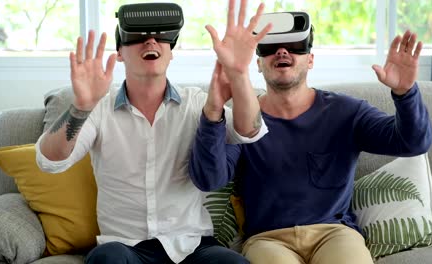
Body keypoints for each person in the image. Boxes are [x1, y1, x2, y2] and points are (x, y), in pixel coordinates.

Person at [35, 1, 272, 263]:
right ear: (120, 53)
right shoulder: (100, 110)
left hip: (191, 246)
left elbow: (250, 130)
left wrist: (239, 73)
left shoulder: (195, 103)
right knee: (106, 259)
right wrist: (81, 107)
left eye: (161, 36)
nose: (151, 42)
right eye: (138, 37)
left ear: (171, 52)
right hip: (125, 247)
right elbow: (50, 161)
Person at [189, 11, 432, 264]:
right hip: (267, 239)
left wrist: (405, 93)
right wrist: (214, 111)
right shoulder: (243, 121)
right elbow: (209, 179)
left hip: (335, 234)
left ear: (311, 60)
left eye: (295, 46)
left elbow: (413, 142)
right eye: (271, 47)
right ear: (258, 63)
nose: (283, 52)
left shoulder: (345, 112)